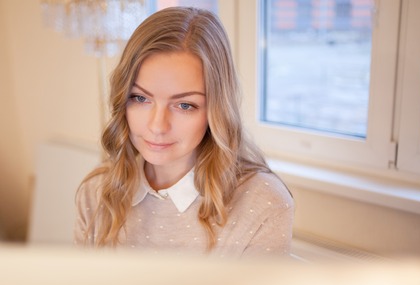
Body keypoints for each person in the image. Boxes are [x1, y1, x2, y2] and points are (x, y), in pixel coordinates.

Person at [74, 6, 294, 258]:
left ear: (216, 109)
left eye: (184, 105)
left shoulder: (261, 202)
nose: (157, 126)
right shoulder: (96, 191)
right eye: (140, 98)